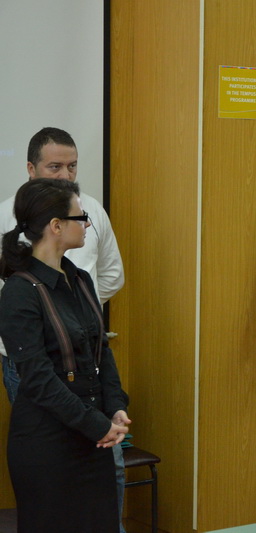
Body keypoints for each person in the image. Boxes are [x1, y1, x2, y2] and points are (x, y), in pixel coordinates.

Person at [0, 127, 127, 531]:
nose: (87, 224)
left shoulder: (80, 279)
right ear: (56, 226)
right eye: (79, 218)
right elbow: (38, 379)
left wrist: (115, 406)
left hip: (92, 431)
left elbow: (100, 350)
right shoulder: (20, 291)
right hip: (48, 441)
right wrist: (98, 424)